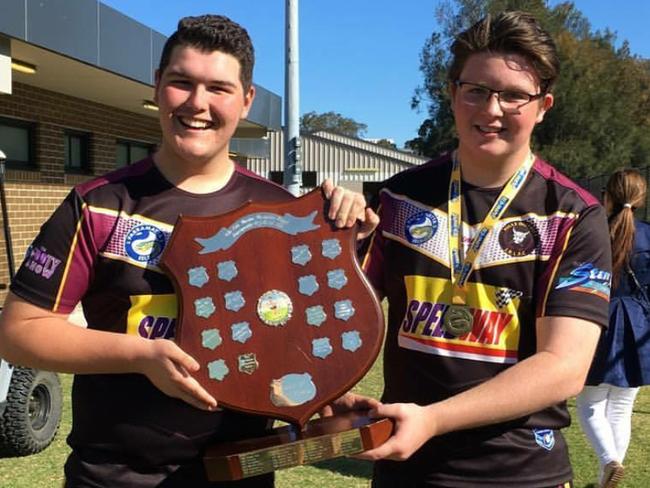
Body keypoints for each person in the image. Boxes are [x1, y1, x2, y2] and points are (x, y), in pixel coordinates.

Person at [0, 15, 374, 488]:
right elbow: (18, 333)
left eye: (218, 88)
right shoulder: (99, 204)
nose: (198, 103)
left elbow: (286, 334)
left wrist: (324, 397)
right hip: (114, 475)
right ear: (158, 86)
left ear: (246, 100)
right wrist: (140, 355)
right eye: (182, 82)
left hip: (241, 470)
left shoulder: (286, 214)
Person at [334, 10, 612, 487]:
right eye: (477, 90)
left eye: (513, 95)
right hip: (406, 468)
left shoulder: (572, 215)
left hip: (520, 471)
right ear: (452, 93)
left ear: (543, 105)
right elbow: (342, 313)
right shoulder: (401, 197)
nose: (491, 110)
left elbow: (563, 367)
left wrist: (434, 419)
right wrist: (328, 239)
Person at [575, 169, 650, 488]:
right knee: (621, 406)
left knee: (589, 403)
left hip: (597, 320)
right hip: (637, 323)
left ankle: (609, 463)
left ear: (606, 196)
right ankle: (607, 472)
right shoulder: (648, 235)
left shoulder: (591, 232)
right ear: (641, 199)